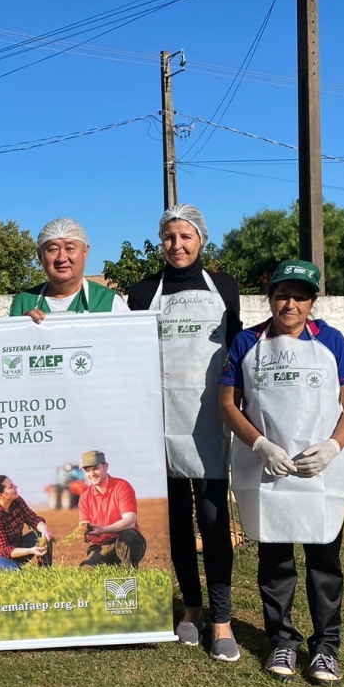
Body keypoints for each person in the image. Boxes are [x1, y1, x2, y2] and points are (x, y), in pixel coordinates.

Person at [219, 259, 344, 686]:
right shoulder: (248, 342)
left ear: (312, 302)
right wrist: (260, 445)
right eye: (283, 294)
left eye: (301, 296)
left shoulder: (332, 342)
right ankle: (282, 638)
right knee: (275, 561)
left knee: (324, 561)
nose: (290, 304)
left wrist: (334, 446)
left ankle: (326, 647)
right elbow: (229, 404)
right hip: (267, 471)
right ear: (270, 297)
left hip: (320, 472)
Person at [127, 204, 243, 662]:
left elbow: (237, 351)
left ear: (201, 240)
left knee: (214, 523)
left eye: (186, 237)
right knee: (175, 524)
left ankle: (222, 619)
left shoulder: (225, 287)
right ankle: (191, 608)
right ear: (162, 242)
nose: (177, 245)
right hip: (158, 422)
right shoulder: (142, 292)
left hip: (208, 420)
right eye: (170, 237)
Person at [8, 218, 129, 320]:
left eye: (70, 248)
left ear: (85, 252)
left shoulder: (109, 303)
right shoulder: (20, 304)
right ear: (40, 255)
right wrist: (21, 329)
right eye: (53, 249)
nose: (61, 258)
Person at [77, 450, 146, 569]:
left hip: (125, 542)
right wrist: (84, 534)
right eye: (87, 470)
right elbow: (84, 526)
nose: (91, 473)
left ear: (105, 466)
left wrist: (103, 529)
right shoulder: (84, 497)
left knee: (129, 536)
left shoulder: (122, 486)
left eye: (95, 468)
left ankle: (129, 573)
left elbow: (130, 521)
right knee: (87, 571)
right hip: (102, 547)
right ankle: (112, 566)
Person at [0, 475, 54, 571]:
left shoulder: (17, 501)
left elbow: (32, 519)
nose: (16, 487)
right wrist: (30, 550)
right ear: (0, 495)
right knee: (16, 571)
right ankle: (5, 566)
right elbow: (4, 550)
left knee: (42, 534)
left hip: (15, 547)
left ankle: (44, 569)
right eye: (11, 487)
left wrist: (44, 529)